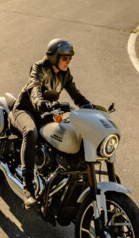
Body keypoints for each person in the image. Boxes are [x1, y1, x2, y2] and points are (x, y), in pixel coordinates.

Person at [10, 38, 91, 209]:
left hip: (46, 115)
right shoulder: (39, 68)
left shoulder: (65, 74)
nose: (68, 61)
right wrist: (39, 101)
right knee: (31, 132)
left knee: (65, 134)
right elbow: (34, 87)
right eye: (64, 58)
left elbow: (76, 95)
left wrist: (90, 107)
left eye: (70, 58)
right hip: (25, 110)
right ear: (54, 57)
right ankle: (28, 189)